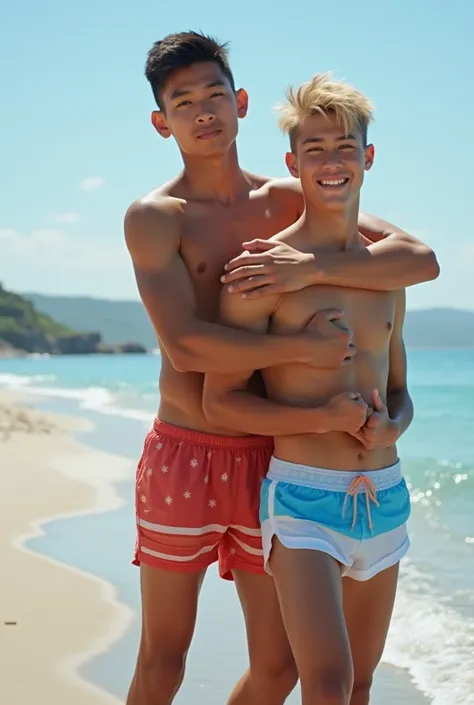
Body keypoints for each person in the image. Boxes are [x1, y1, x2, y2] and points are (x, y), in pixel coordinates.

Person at [125, 32, 438, 705]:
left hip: (273, 454)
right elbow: (186, 348)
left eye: (215, 95)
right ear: (162, 122)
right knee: (165, 656)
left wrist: (317, 267)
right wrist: (301, 352)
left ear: (240, 104)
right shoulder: (156, 217)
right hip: (188, 447)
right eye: (184, 102)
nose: (203, 111)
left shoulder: (290, 198)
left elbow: (414, 259)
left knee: (281, 669)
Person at [203, 73, 415, 705]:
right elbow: (222, 401)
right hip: (303, 500)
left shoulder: (388, 273)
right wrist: (322, 417)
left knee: (361, 685)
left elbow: (401, 389)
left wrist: (394, 424)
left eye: (345, 146)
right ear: (293, 163)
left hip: (385, 495)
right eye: (314, 149)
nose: (331, 161)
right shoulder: (262, 270)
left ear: (368, 158)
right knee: (326, 681)